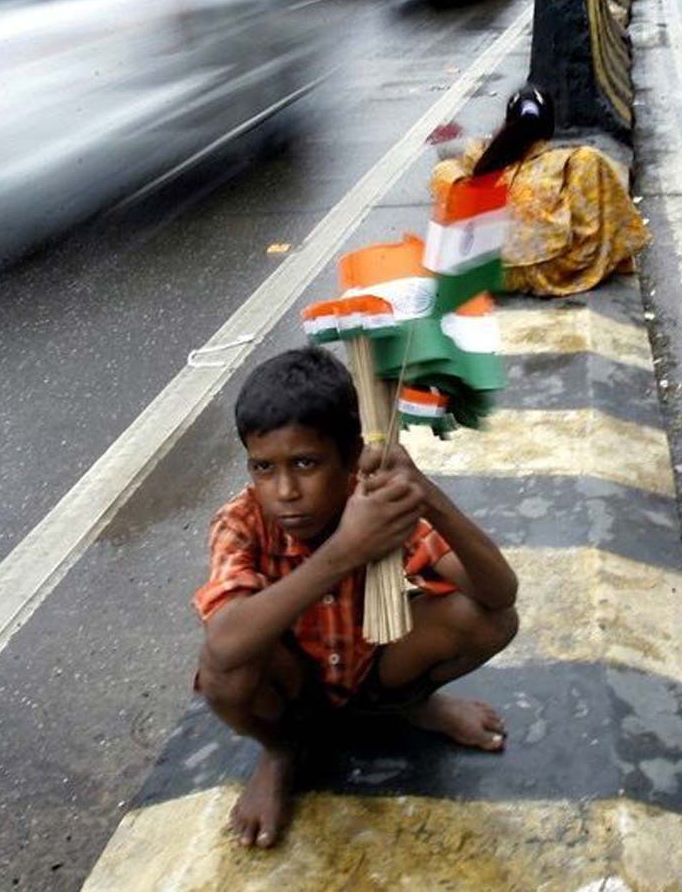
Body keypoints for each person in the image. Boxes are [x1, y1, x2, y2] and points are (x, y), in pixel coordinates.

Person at [194, 348, 519, 849]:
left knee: (485, 620)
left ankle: (411, 707)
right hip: (294, 694)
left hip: (371, 670)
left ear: (349, 458)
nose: (284, 490)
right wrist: (346, 551)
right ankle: (280, 755)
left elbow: (500, 594)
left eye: (305, 463)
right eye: (263, 467)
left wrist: (426, 494)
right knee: (224, 671)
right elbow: (225, 647)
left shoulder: (371, 502)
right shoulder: (240, 522)